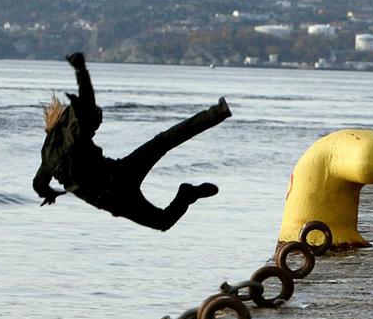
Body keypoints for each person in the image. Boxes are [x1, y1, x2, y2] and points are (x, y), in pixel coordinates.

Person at [33, 52, 231, 231]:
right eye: (97, 124)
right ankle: (218, 113)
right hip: (118, 183)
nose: (95, 129)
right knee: (164, 142)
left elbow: (38, 184)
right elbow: (86, 103)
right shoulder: (75, 133)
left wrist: (49, 193)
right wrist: (81, 70)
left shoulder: (48, 156)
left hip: (115, 191)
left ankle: (186, 195)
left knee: (163, 222)